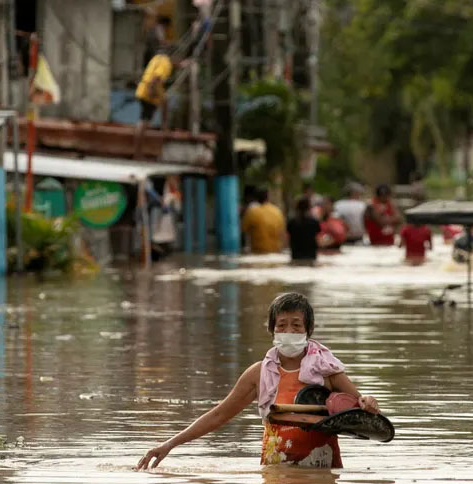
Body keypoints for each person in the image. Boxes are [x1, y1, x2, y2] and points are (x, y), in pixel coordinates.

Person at [136, 292, 381, 469]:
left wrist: (368, 401)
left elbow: (358, 408)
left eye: (296, 325)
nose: (289, 331)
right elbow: (219, 415)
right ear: (272, 330)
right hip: (275, 469)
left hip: (321, 469)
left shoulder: (328, 371)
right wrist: (169, 444)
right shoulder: (259, 374)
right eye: (282, 325)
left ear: (308, 329)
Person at [135, 49, 179, 129]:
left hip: (142, 89)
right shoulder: (166, 63)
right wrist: (151, 90)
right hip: (150, 91)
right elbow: (156, 77)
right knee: (146, 118)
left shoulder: (157, 58)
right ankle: (142, 136)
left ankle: (144, 133)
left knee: (146, 115)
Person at [241, 187, 285, 254]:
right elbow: (283, 234)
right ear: (268, 198)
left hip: (257, 252)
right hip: (275, 253)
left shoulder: (251, 212)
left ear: (256, 198)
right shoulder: (277, 212)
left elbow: (243, 230)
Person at [287, 197, 322, 263]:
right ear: (309, 208)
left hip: (296, 256)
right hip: (311, 256)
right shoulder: (314, 222)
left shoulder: (292, 223)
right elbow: (318, 240)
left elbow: (287, 240)